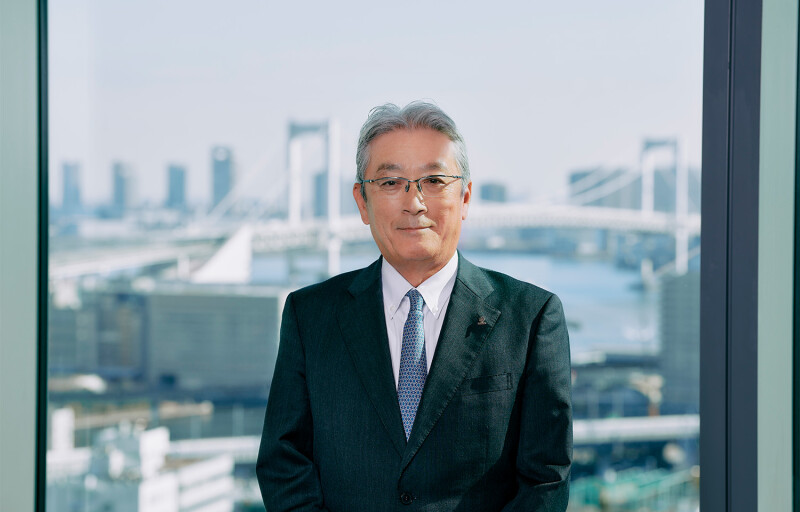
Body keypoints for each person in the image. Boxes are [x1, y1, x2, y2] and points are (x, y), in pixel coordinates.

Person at [257, 101, 572, 511]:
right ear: (361, 202)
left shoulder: (532, 317)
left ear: (465, 197)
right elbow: (284, 463)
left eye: (435, 180)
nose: (415, 202)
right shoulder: (309, 315)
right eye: (390, 183)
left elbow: (546, 479)